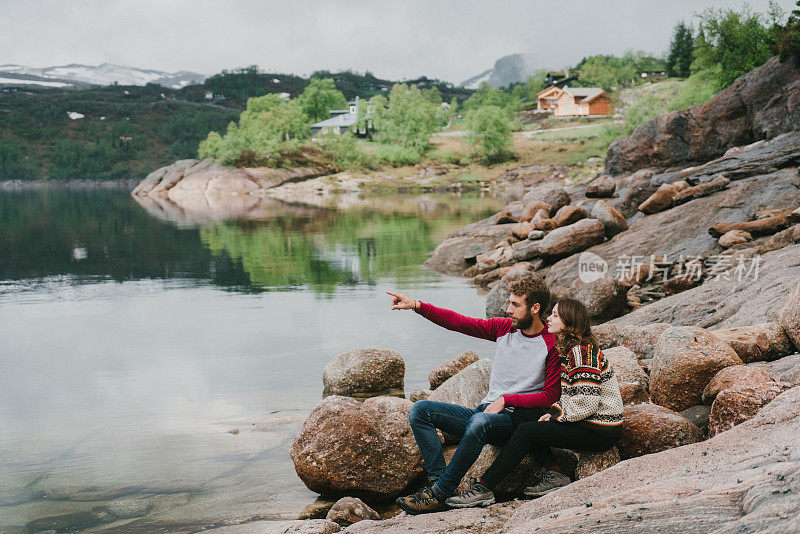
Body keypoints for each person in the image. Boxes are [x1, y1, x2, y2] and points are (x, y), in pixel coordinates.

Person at [387, 276, 560, 514]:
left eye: (515, 305)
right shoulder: (504, 328)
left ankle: (440, 493)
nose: (508, 310)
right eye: (509, 303)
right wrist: (417, 305)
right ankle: (437, 481)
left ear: (535, 308)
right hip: (485, 413)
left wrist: (507, 400)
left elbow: (550, 396)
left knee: (480, 422)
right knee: (421, 410)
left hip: (513, 423)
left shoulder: (551, 343)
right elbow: (459, 323)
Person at [444, 298, 624, 508]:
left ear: (569, 322)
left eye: (555, 315)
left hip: (600, 430)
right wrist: (556, 412)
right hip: (588, 423)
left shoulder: (582, 353)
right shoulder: (570, 351)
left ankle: (485, 487)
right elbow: (572, 395)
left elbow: (587, 403)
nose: (549, 318)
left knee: (527, 432)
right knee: (523, 414)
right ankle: (555, 473)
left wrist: (557, 414)